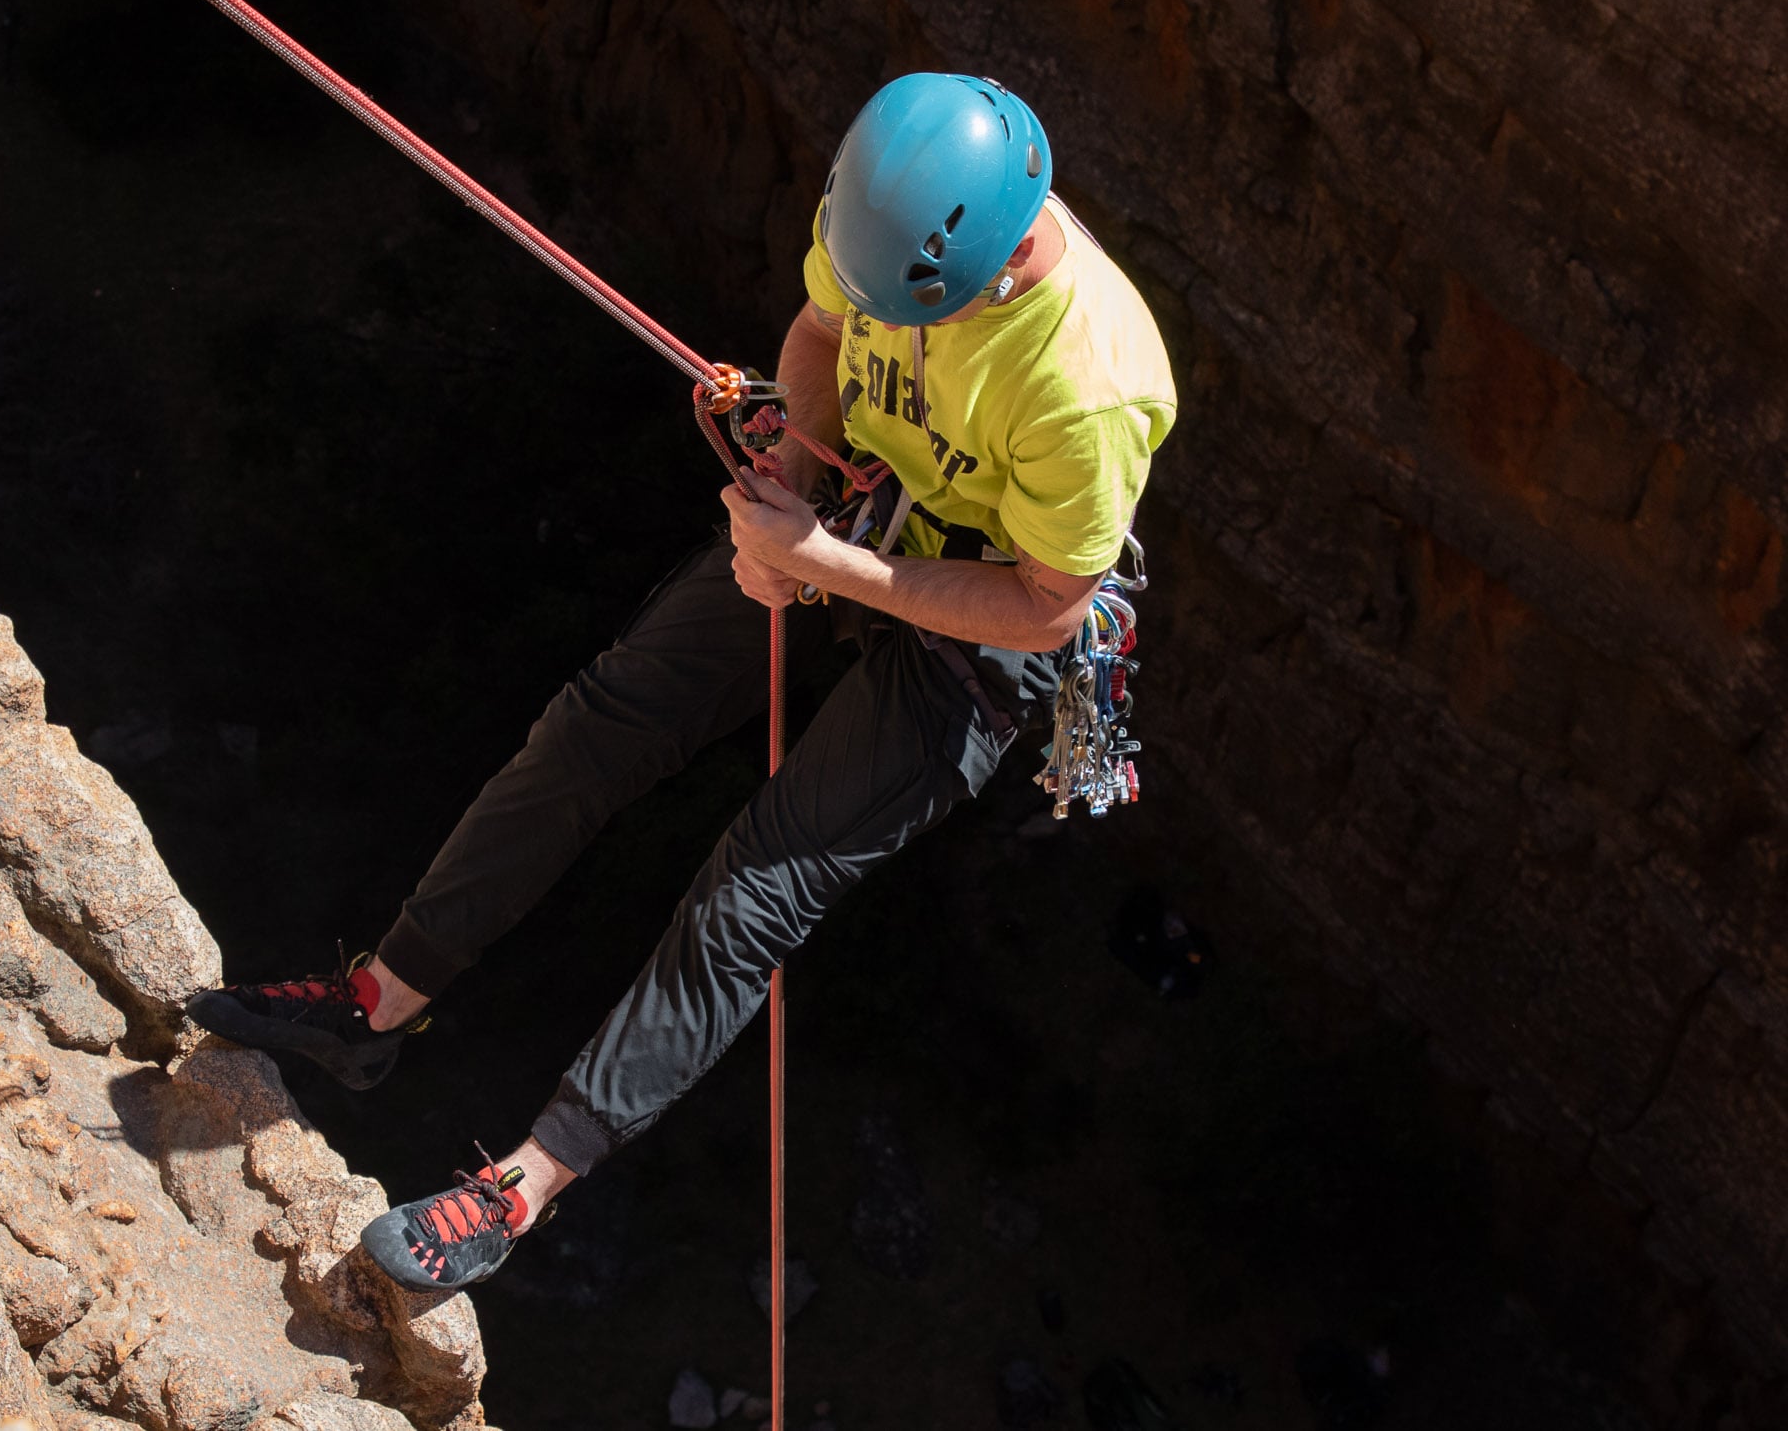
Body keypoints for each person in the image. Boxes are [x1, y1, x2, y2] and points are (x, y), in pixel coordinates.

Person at [185, 72, 1176, 1291]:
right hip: (853, 503)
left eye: (929, 320)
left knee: (753, 887)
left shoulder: (1087, 385)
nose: (901, 330)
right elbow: (818, 336)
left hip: (979, 621)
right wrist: (795, 508)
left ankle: (524, 1189)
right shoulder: (889, 212)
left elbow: (1047, 603)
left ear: (1012, 258)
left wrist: (824, 565)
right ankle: (377, 1002)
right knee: (605, 718)